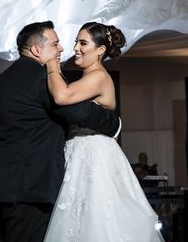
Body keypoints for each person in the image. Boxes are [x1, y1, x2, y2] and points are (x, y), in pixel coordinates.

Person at [0, 21, 120, 242]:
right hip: (31, 188)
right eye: (55, 44)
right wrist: (114, 124)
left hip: (3, 186)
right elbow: (78, 111)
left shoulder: (3, 79)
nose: (62, 49)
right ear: (37, 50)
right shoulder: (41, 78)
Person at [43, 21, 163, 242]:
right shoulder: (89, 77)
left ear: (100, 50)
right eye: (76, 42)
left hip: (94, 157)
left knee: (96, 221)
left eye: (83, 43)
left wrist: (51, 65)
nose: (76, 48)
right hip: (80, 152)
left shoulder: (98, 76)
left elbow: (61, 96)